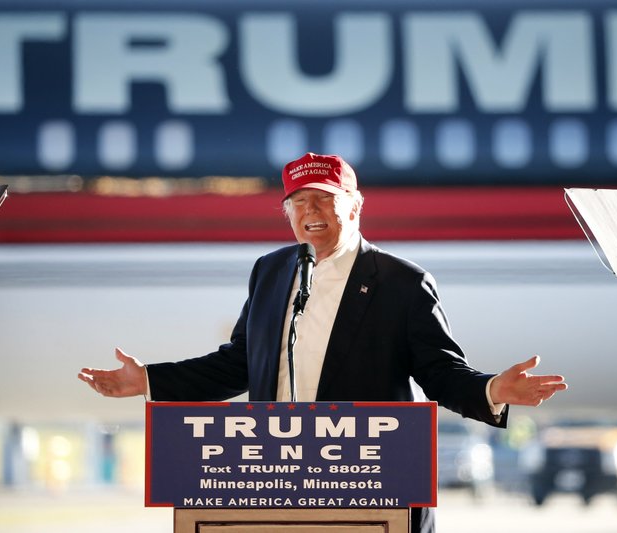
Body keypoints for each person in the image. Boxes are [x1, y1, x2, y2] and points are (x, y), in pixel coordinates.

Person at [79, 152, 567, 533]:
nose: (309, 211)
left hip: (370, 483)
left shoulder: (401, 282)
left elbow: (440, 373)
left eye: (323, 198)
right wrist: (148, 380)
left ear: (354, 205)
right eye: (297, 201)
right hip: (280, 481)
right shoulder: (271, 271)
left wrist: (491, 392)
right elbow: (239, 364)